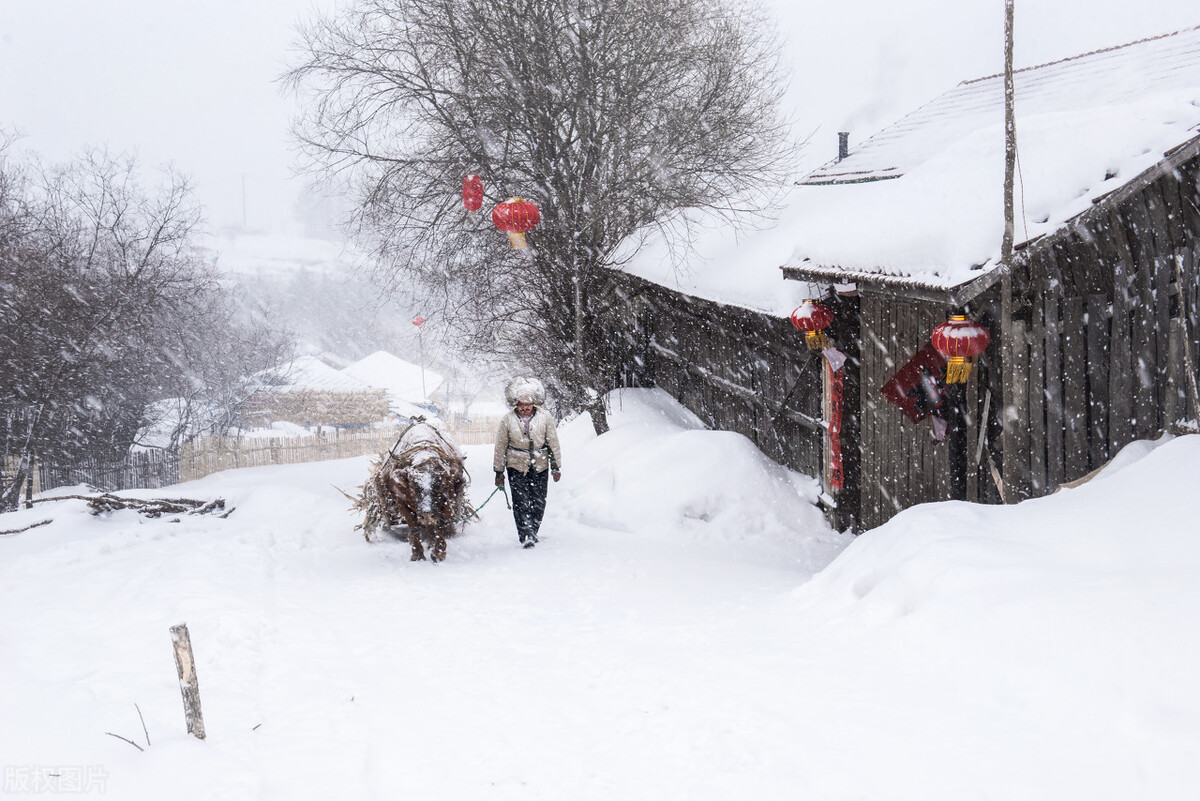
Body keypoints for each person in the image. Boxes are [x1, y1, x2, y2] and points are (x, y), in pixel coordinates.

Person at [494, 378, 562, 548]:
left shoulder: (545, 417)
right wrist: (498, 471)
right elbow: (500, 446)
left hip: (540, 465)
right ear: (515, 404)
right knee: (520, 502)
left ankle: (534, 529)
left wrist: (556, 467)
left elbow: (553, 442)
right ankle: (526, 534)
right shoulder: (507, 420)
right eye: (520, 404)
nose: (524, 408)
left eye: (528, 404)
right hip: (516, 465)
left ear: (534, 404)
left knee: (539, 501)